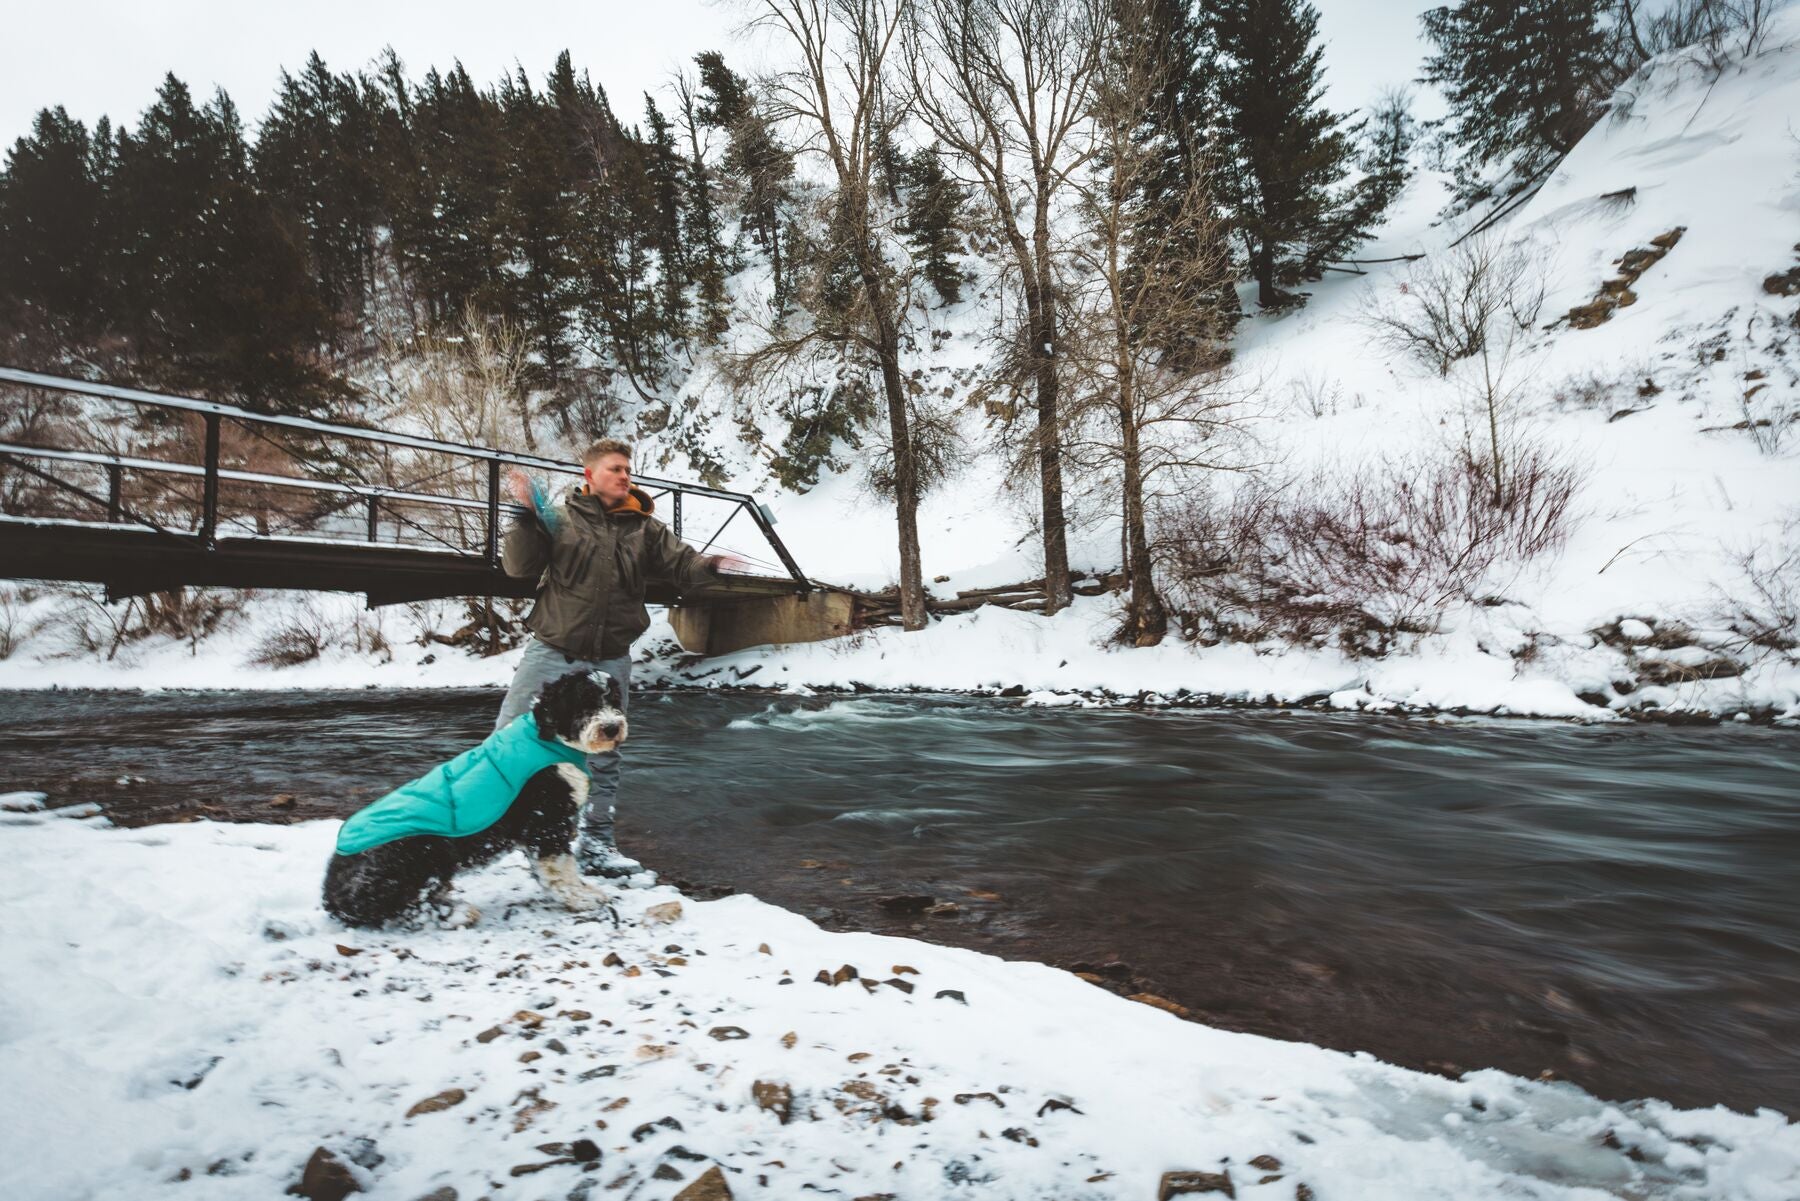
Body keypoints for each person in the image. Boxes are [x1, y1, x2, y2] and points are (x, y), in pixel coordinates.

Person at [495, 437, 726, 879]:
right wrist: (524, 514)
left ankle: (598, 846)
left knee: (604, 753)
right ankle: (500, 834)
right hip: (551, 649)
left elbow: (684, 567)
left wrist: (710, 565)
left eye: (627, 469)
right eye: (615, 469)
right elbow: (518, 568)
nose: (625, 476)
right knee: (510, 740)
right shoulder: (558, 519)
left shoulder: (646, 529)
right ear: (590, 475)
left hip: (611, 659)